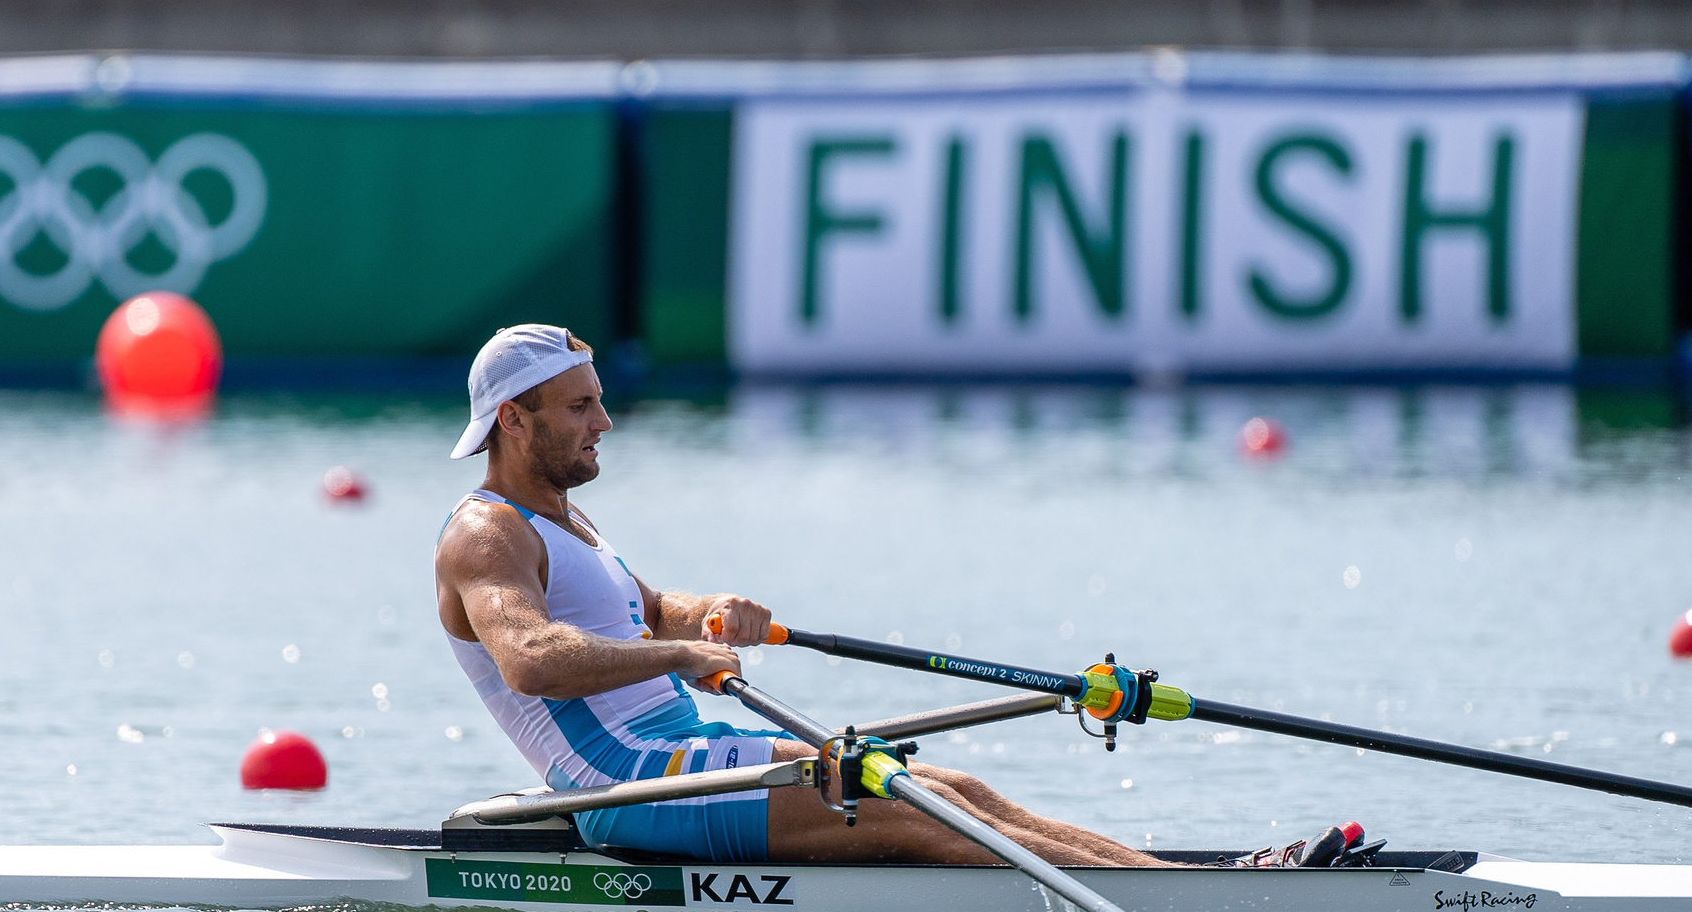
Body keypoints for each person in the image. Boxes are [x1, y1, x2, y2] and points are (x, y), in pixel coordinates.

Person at [433, 323, 1176, 870]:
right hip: (621, 782)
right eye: (578, 407)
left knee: (950, 785)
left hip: (677, 751)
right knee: (908, 809)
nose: (604, 421)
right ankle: (1167, 897)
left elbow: (651, 612)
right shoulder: (484, 533)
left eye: (597, 402)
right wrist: (683, 651)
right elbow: (529, 658)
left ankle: (1169, 880)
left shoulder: (567, 518)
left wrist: (713, 611)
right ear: (512, 419)